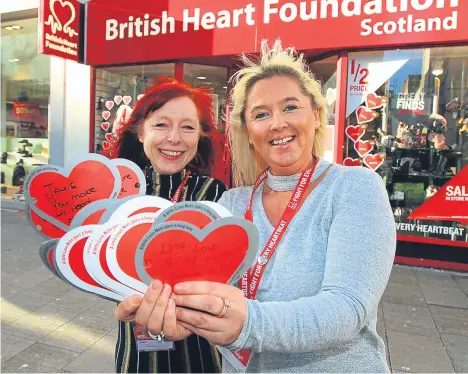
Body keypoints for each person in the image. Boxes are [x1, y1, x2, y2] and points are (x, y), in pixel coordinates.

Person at [115, 41, 397, 373]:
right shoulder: (230, 204)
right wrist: (188, 322)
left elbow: (348, 308)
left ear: (317, 115)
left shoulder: (354, 187)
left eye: (290, 107)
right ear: (249, 132)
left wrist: (247, 324)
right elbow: (218, 300)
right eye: (261, 114)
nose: (277, 123)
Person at [106, 77, 227, 373]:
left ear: (200, 136)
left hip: (198, 344)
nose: (174, 138)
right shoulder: (119, 191)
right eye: (161, 125)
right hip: (137, 342)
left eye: (187, 127)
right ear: (139, 131)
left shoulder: (215, 194)